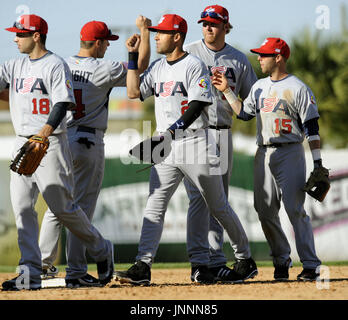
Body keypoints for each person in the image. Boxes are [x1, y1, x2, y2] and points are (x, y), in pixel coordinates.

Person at [115, 13, 254, 285]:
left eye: (161, 32)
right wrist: (132, 57)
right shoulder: (156, 67)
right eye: (155, 32)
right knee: (154, 204)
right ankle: (142, 265)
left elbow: (198, 105)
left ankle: (244, 256)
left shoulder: (194, 65)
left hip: (194, 142)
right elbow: (132, 92)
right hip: (165, 143)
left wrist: (170, 133)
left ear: (176, 36)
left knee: (217, 206)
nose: (156, 36)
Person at [0, 14, 114, 290]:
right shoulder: (13, 65)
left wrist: (45, 132)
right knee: (23, 209)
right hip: (21, 141)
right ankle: (30, 273)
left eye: (20, 33)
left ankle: (101, 249)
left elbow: (63, 103)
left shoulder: (55, 65)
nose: (15, 38)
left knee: (63, 208)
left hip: (49, 143)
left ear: (36, 36)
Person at [38, 18, 151, 288]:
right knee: (81, 210)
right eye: (105, 43)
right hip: (89, 141)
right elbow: (141, 67)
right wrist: (144, 33)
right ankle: (77, 269)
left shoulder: (60, 64)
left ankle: (41, 264)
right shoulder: (104, 68)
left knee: (58, 207)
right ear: (97, 43)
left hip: (60, 139)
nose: (106, 48)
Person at [212, 37, 323, 281]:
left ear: (279, 57)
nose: (259, 58)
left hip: (290, 150)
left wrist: (317, 162)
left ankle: (311, 264)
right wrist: (227, 91)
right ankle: (281, 260)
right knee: (264, 210)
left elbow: (312, 127)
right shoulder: (259, 86)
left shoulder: (298, 87)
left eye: (264, 54)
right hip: (263, 151)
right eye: (259, 54)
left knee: (295, 209)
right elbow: (243, 114)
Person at [183, 4, 258, 282]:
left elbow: (251, 104)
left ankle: (215, 261)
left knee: (218, 202)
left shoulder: (238, 59)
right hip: (194, 134)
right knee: (197, 200)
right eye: (204, 23)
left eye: (214, 23)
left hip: (224, 132)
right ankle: (200, 262)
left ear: (226, 26)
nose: (208, 27)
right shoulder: (188, 52)